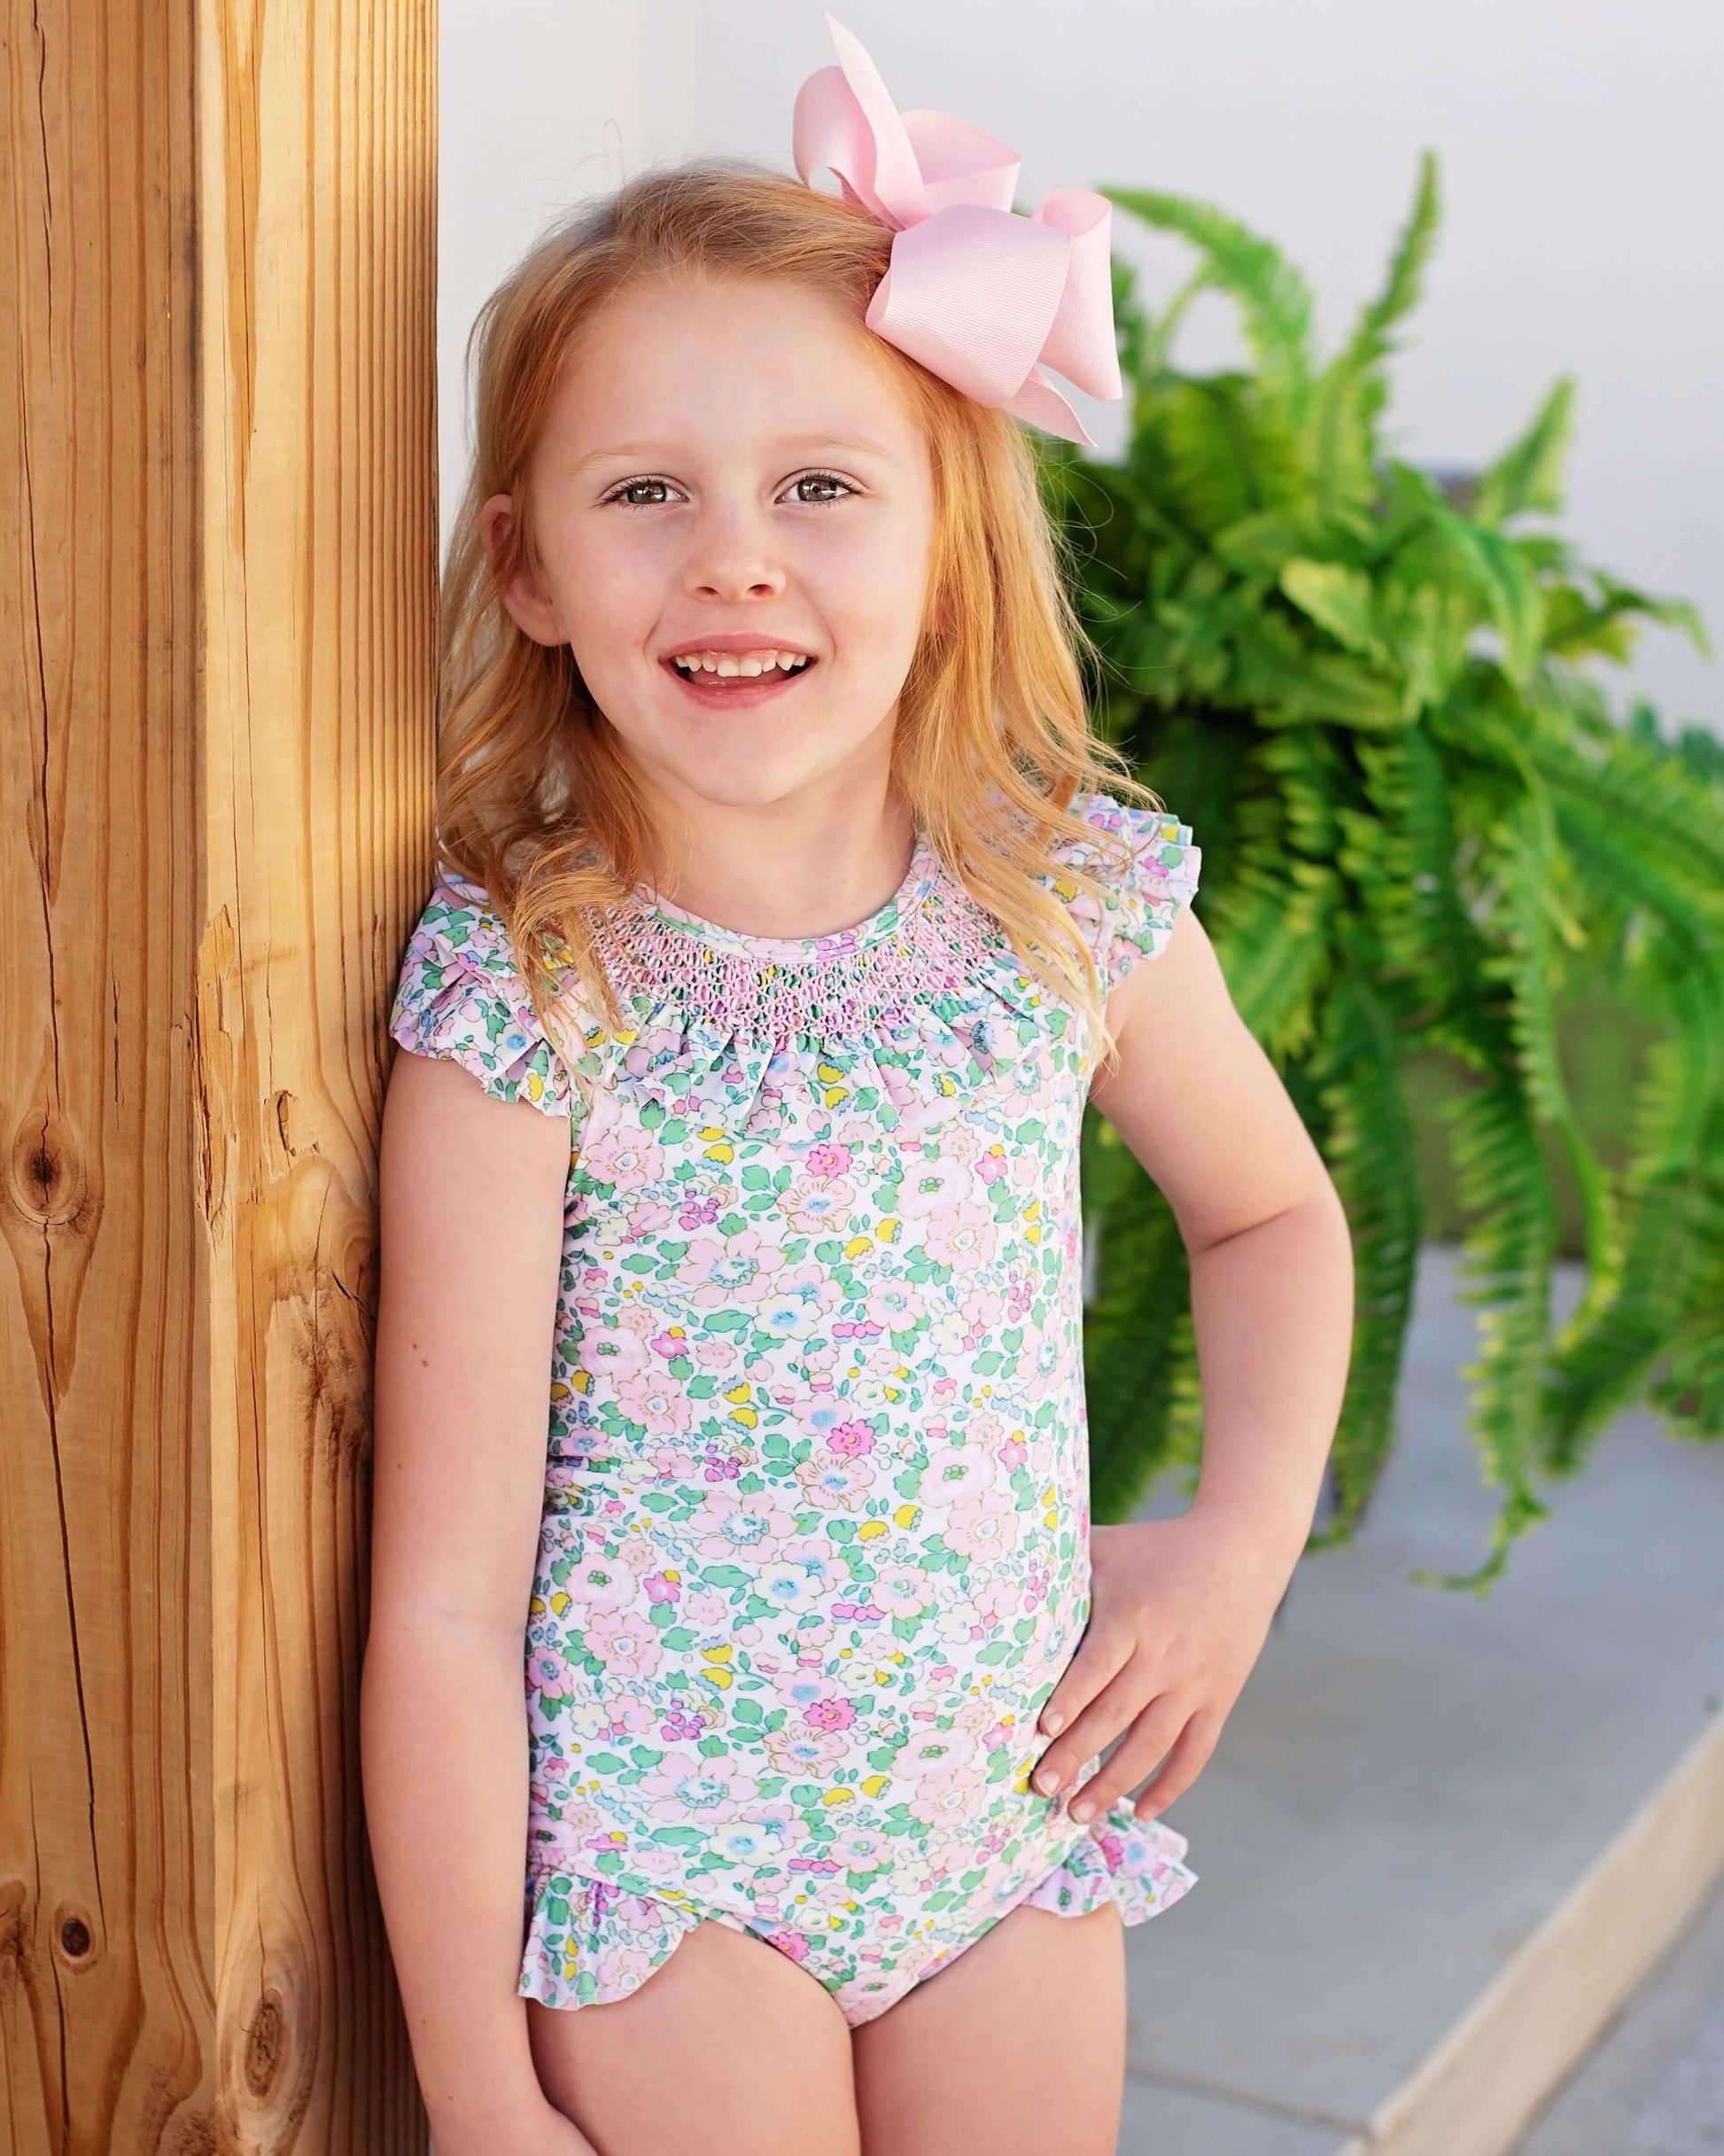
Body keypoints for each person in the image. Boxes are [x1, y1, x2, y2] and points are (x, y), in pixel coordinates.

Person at [361, 20, 1353, 2156]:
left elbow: (1270, 1215)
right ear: (529, 568)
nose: (735, 559)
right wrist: (469, 2084)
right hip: (678, 1890)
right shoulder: (529, 1001)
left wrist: (1237, 1545)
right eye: (649, 494)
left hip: (1003, 1832)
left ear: (944, 537)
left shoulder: (1065, 906)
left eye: (819, 484)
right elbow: (440, 1599)